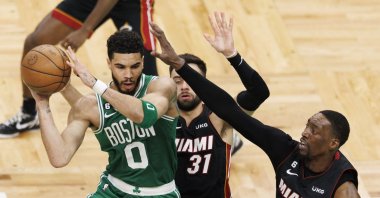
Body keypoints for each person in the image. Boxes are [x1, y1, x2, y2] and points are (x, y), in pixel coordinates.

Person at [150, 12, 360, 198]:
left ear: (333, 143)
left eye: (313, 131)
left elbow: (247, 98)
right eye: (177, 81)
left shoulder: (342, 187)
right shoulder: (286, 150)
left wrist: (227, 56)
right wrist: (181, 65)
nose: (304, 133)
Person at [30, 30, 180, 197]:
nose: (128, 75)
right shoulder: (91, 106)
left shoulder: (162, 87)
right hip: (113, 190)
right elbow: (59, 157)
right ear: (109, 63)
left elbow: (144, 117)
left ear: (143, 63)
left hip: (160, 193)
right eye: (120, 67)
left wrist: (95, 84)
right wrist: (42, 106)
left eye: (135, 66)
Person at [0, 0, 158, 138]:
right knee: (35, 42)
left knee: (146, 65)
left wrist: (85, 30)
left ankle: (165, 128)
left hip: (134, 3)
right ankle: (28, 114)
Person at [170, 13, 269, 197]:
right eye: (177, 80)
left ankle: (233, 145)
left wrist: (232, 55)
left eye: (192, 80)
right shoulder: (161, 119)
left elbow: (259, 93)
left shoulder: (220, 118)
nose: (184, 86)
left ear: (203, 84)